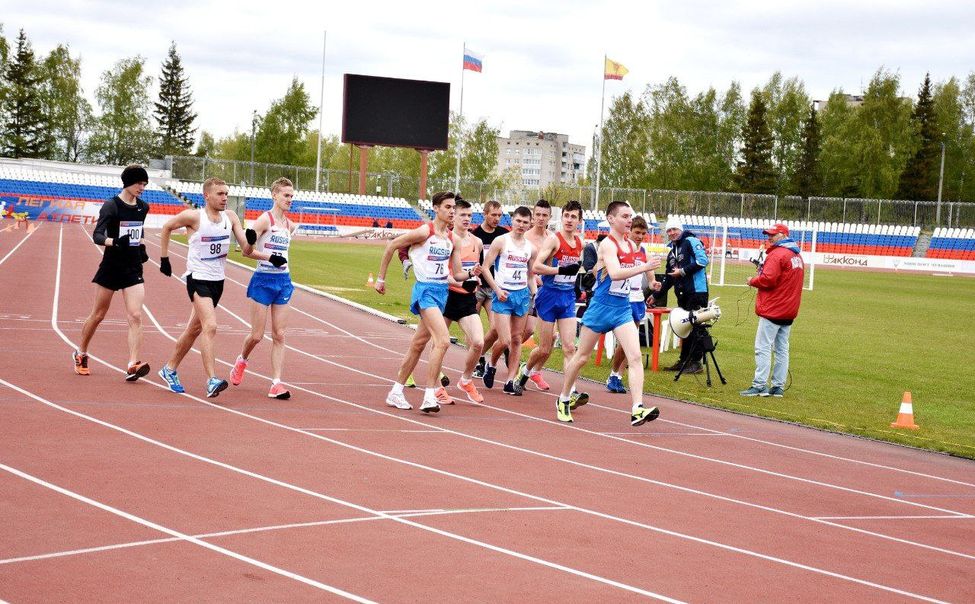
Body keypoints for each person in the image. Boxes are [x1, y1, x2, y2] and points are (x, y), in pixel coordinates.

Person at [554, 201, 661, 426]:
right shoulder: (608, 245)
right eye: (624, 216)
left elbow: (639, 271)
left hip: (622, 308)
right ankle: (564, 398)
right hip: (601, 308)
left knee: (635, 356)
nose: (629, 220)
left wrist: (651, 279)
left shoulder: (633, 247)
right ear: (611, 219)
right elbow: (614, 273)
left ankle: (637, 408)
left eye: (630, 216)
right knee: (581, 357)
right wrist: (644, 268)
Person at [376, 191, 478, 413]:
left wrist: (471, 274)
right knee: (442, 340)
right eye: (448, 207)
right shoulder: (425, 231)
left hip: (442, 292)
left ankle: (395, 392)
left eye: (454, 208)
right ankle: (430, 395)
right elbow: (392, 245)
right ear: (436, 208)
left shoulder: (454, 240)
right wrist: (380, 279)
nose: (452, 211)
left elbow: (458, 273)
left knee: (418, 344)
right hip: (425, 291)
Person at [157, 177, 255, 397]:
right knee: (210, 326)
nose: (225, 198)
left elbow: (246, 249)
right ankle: (211, 380)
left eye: (227, 194)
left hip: (217, 281)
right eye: (220, 194)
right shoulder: (194, 216)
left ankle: (169, 368)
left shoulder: (230, 217)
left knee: (194, 329)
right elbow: (166, 227)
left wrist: (252, 239)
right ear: (207, 196)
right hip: (197, 278)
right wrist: (164, 259)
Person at [73, 165, 152, 381]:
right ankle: (81, 353)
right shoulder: (111, 206)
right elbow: (97, 235)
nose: (142, 188)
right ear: (128, 182)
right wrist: (116, 242)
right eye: (139, 183)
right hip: (111, 266)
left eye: (145, 184)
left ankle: (133, 363)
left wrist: (141, 246)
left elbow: (139, 230)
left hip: (133, 267)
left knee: (135, 315)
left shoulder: (143, 207)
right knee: (98, 314)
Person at [229, 177, 298, 400]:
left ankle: (276, 383)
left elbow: (284, 251)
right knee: (257, 336)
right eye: (286, 195)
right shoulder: (264, 220)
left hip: (283, 281)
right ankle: (242, 360)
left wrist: (280, 261)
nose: (290, 199)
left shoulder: (289, 225)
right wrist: (269, 256)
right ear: (275, 195)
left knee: (280, 334)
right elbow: (247, 251)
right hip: (263, 280)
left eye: (292, 196)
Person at [516, 200, 585, 393]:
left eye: (573, 217)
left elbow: (579, 268)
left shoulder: (580, 242)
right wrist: (560, 269)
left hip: (568, 297)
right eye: (566, 216)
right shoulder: (554, 240)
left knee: (570, 348)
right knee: (545, 349)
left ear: (579, 221)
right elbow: (536, 267)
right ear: (561, 217)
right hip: (548, 297)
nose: (569, 220)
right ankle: (526, 370)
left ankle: (570, 392)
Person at [740, 223, 804, 398]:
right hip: (789, 309)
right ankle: (778, 386)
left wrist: (752, 280)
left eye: (773, 234)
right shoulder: (796, 254)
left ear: (783, 235)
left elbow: (768, 280)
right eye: (768, 234)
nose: (769, 237)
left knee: (763, 347)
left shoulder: (777, 254)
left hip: (774, 308)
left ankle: (760, 385)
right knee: (782, 349)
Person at [479, 206, 537, 395]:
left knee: (517, 340)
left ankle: (510, 381)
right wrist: (496, 289)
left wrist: (533, 291)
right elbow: (486, 267)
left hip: (521, 295)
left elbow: (530, 275)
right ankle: (491, 364)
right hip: (502, 294)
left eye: (525, 222)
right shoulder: (500, 241)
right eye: (518, 221)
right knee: (503, 340)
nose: (521, 225)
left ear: (530, 224)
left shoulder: (531, 248)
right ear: (512, 221)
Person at [437, 198, 485, 402]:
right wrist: (459, 282)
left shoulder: (477, 242)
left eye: (469, 215)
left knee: (478, 342)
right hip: (447, 296)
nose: (466, 218)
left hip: (467, 299)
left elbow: (476, 268)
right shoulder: (445, 241)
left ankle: (465, 380)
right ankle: (436, 386)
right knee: (440, 343)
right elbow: (441, 272)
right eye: (462, 215)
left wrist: (476, 277)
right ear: (453, 216)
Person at [650, 216, 709, 373]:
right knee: (685, 326)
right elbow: (669, 278)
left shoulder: (691, 241)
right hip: (683, 294)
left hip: (697, 291)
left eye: (674, 229)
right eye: (669, 230)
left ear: (680, 229)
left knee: (696, 326)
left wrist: (682, 272)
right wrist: (656, 295)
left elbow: (703, 261)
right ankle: (684, 360)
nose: (671, 232)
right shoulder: (672, 252)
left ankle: (696, 363)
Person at [606, 215, 656, 393]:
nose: (640, 236)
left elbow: (650, 279)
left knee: (632, 342)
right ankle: (613, 374)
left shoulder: (644, 252)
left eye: (643, 233)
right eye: (637, 232)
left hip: (637, 299)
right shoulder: (621, 249)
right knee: (624, 342)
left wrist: (654, 285)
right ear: (629, 231)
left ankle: (616, 376)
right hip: (620, 298)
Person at [471, 200, 509, 377]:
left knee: (495, 328)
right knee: (474, 328)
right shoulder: (475, 235)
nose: (497, 218)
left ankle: (481, 356)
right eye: (493, 214)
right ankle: (477, 362)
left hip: (495, 287)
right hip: (477, 287)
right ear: (484, 214)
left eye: (500, 215)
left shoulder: (503, 235)